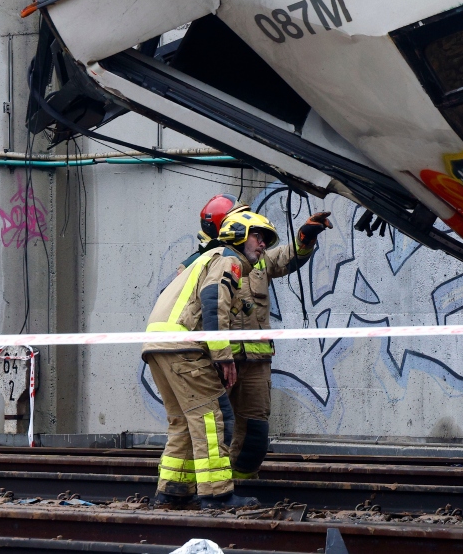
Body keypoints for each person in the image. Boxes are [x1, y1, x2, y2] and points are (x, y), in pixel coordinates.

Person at [178, 194, 332, 480]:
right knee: (209, 429)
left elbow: (286, 257)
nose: (258, 241)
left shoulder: (258, 260)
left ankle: (242, 488)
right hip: (215, 360)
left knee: (255, 434)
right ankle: (197, 489)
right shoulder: (201, 263)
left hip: (255, 361)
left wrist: (306, 237)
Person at [142, 209, 281, 510]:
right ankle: (217, 494)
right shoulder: (227, 259)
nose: (262, 245)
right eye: (258, 237)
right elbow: (212, 301)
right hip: (184, 346)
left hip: (159, 344)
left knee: (183, 420)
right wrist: (223, 356)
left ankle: (173, 490)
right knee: (215, 418)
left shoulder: (209, 258)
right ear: (239, 236)